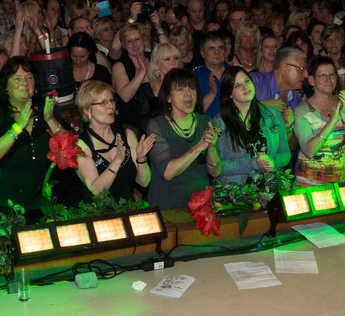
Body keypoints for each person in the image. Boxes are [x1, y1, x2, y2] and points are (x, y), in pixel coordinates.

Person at [0, 57, 64, 217]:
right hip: (8, 208)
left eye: (29, 77)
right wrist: (18, 126)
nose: (25, 83)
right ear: (6, 86)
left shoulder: (46, 110)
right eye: (17, 79)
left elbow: (71, 148)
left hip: (45, 204)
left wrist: (50, 120)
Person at [145, 68, 221, 211]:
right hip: (168, 208)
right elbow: (168, 172)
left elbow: (216, 172)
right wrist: (198, 148)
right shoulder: (157, 125)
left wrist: (211, 149)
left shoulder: (206, 122)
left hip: (201, 206)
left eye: (192, 88)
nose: (188, 94)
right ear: (168, 97)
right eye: (180, 89)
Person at [74, 80, 154, 200]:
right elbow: (96, 191)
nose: (111, 106)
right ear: (87, 110)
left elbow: (144, 182)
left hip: (129, 206)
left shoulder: (127, 135)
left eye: (111, 101)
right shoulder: (81, 145)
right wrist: (117, 161)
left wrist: (141, 159)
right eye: (103, 103)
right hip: (97, 210)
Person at [213, 67, 290, 185]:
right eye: (237, 85)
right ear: (229, 94)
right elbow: (218, 167)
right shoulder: (220, 122)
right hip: (236, 189)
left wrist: (272, 162)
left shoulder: (272, 114)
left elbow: (285, 153)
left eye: (247, 81)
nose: (245, 87)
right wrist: (253, 164)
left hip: (269, 186)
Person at [293, 56, 345, 186]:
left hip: (341, 183)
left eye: (332, 75)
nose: (328, 80)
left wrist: (344, 116)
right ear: (312, 80)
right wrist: (333, 121)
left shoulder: (343, 104)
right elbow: (309, 151)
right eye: (323, 76)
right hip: (310, 185)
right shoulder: (302, 110)